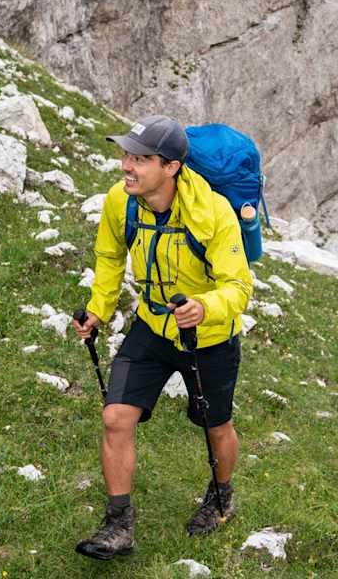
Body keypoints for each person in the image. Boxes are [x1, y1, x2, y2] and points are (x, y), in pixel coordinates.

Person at [71, 115, 253, 561]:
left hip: (208, 337)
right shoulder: (121, 201)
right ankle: (119, 526)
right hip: (152, 327)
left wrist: (205, 307)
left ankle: (221, 495)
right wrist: (99, 309)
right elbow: (111, 255)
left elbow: (239, 286)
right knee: (115, 417)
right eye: (126, 156)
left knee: (215, 424)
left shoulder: (212, 213)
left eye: (139, 159)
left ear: (170, 167)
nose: (126, 166)